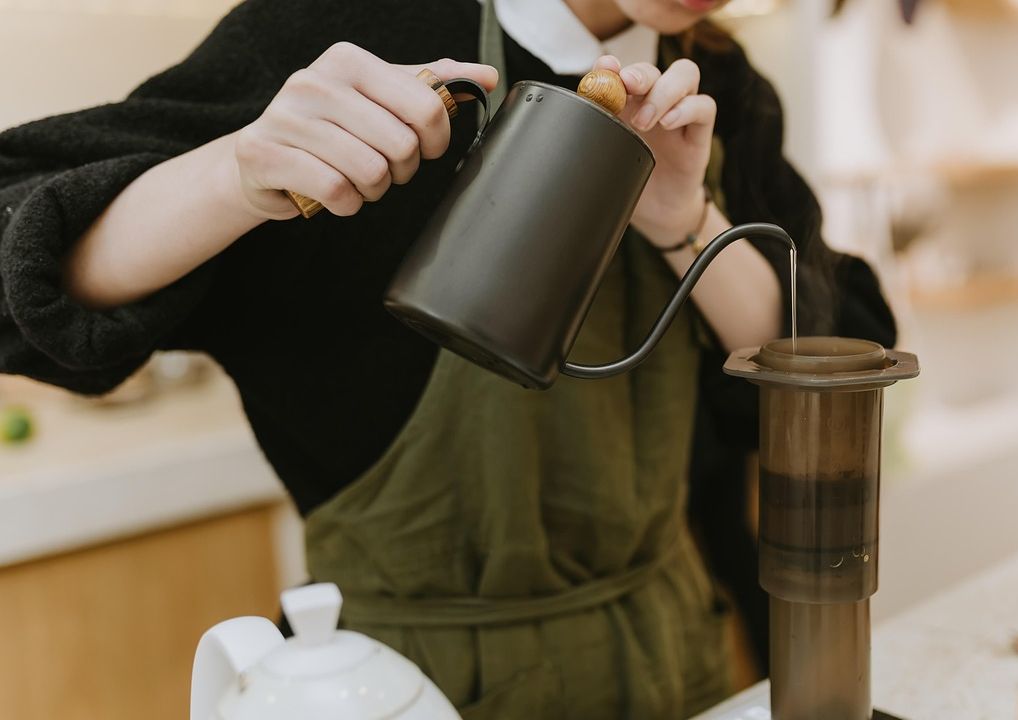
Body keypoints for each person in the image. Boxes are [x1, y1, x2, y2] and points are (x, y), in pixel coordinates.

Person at [0, 0, 895, 716]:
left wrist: (682, 222)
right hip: (397, 682)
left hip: (676, 660)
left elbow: (809, 354)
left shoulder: (723, 85)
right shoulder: (354, 29)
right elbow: (22, 253)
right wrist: (236, 173)